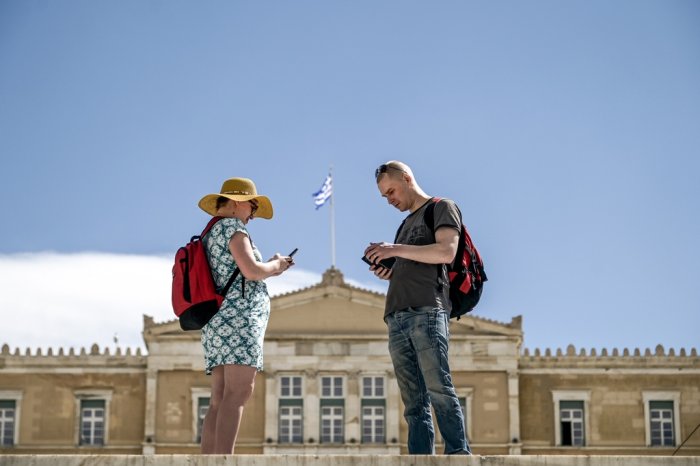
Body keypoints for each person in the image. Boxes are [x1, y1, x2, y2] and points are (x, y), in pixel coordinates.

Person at [364, 161, 471, 455]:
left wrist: (394, 249)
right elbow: (413, 264)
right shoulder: (404, 225)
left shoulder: (441, 207)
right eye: (384, 196)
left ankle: (458, 454)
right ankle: (420, 459)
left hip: (427, 311)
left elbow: (446, 252)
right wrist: (391, 271)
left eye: (391, 191)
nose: (389, 199)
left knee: (439, 388)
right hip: (396, 316)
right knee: (413, 402)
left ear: (407, 179)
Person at [196, 177, 294, 454]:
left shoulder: (210, 232)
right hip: (239, 319)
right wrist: (276, 265)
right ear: (239, 203)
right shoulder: (234, 229)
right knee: (238, 393)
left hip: (216, 320)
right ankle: (224, 459)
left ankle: (210, 460)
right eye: (252, 207)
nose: (252, 215)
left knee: (219, 398)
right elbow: (251, 271)